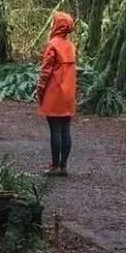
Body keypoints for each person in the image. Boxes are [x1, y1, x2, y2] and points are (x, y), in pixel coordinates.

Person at [35, 11, 77, 175]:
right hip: (68, 94)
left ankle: (55, 165)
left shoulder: (52, 45)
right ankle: (64, 166)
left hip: (54, 93)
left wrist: (40, 89)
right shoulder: (71, 46)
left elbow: (46, 72)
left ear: (57, 25)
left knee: (55, 130)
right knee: (66, 129)